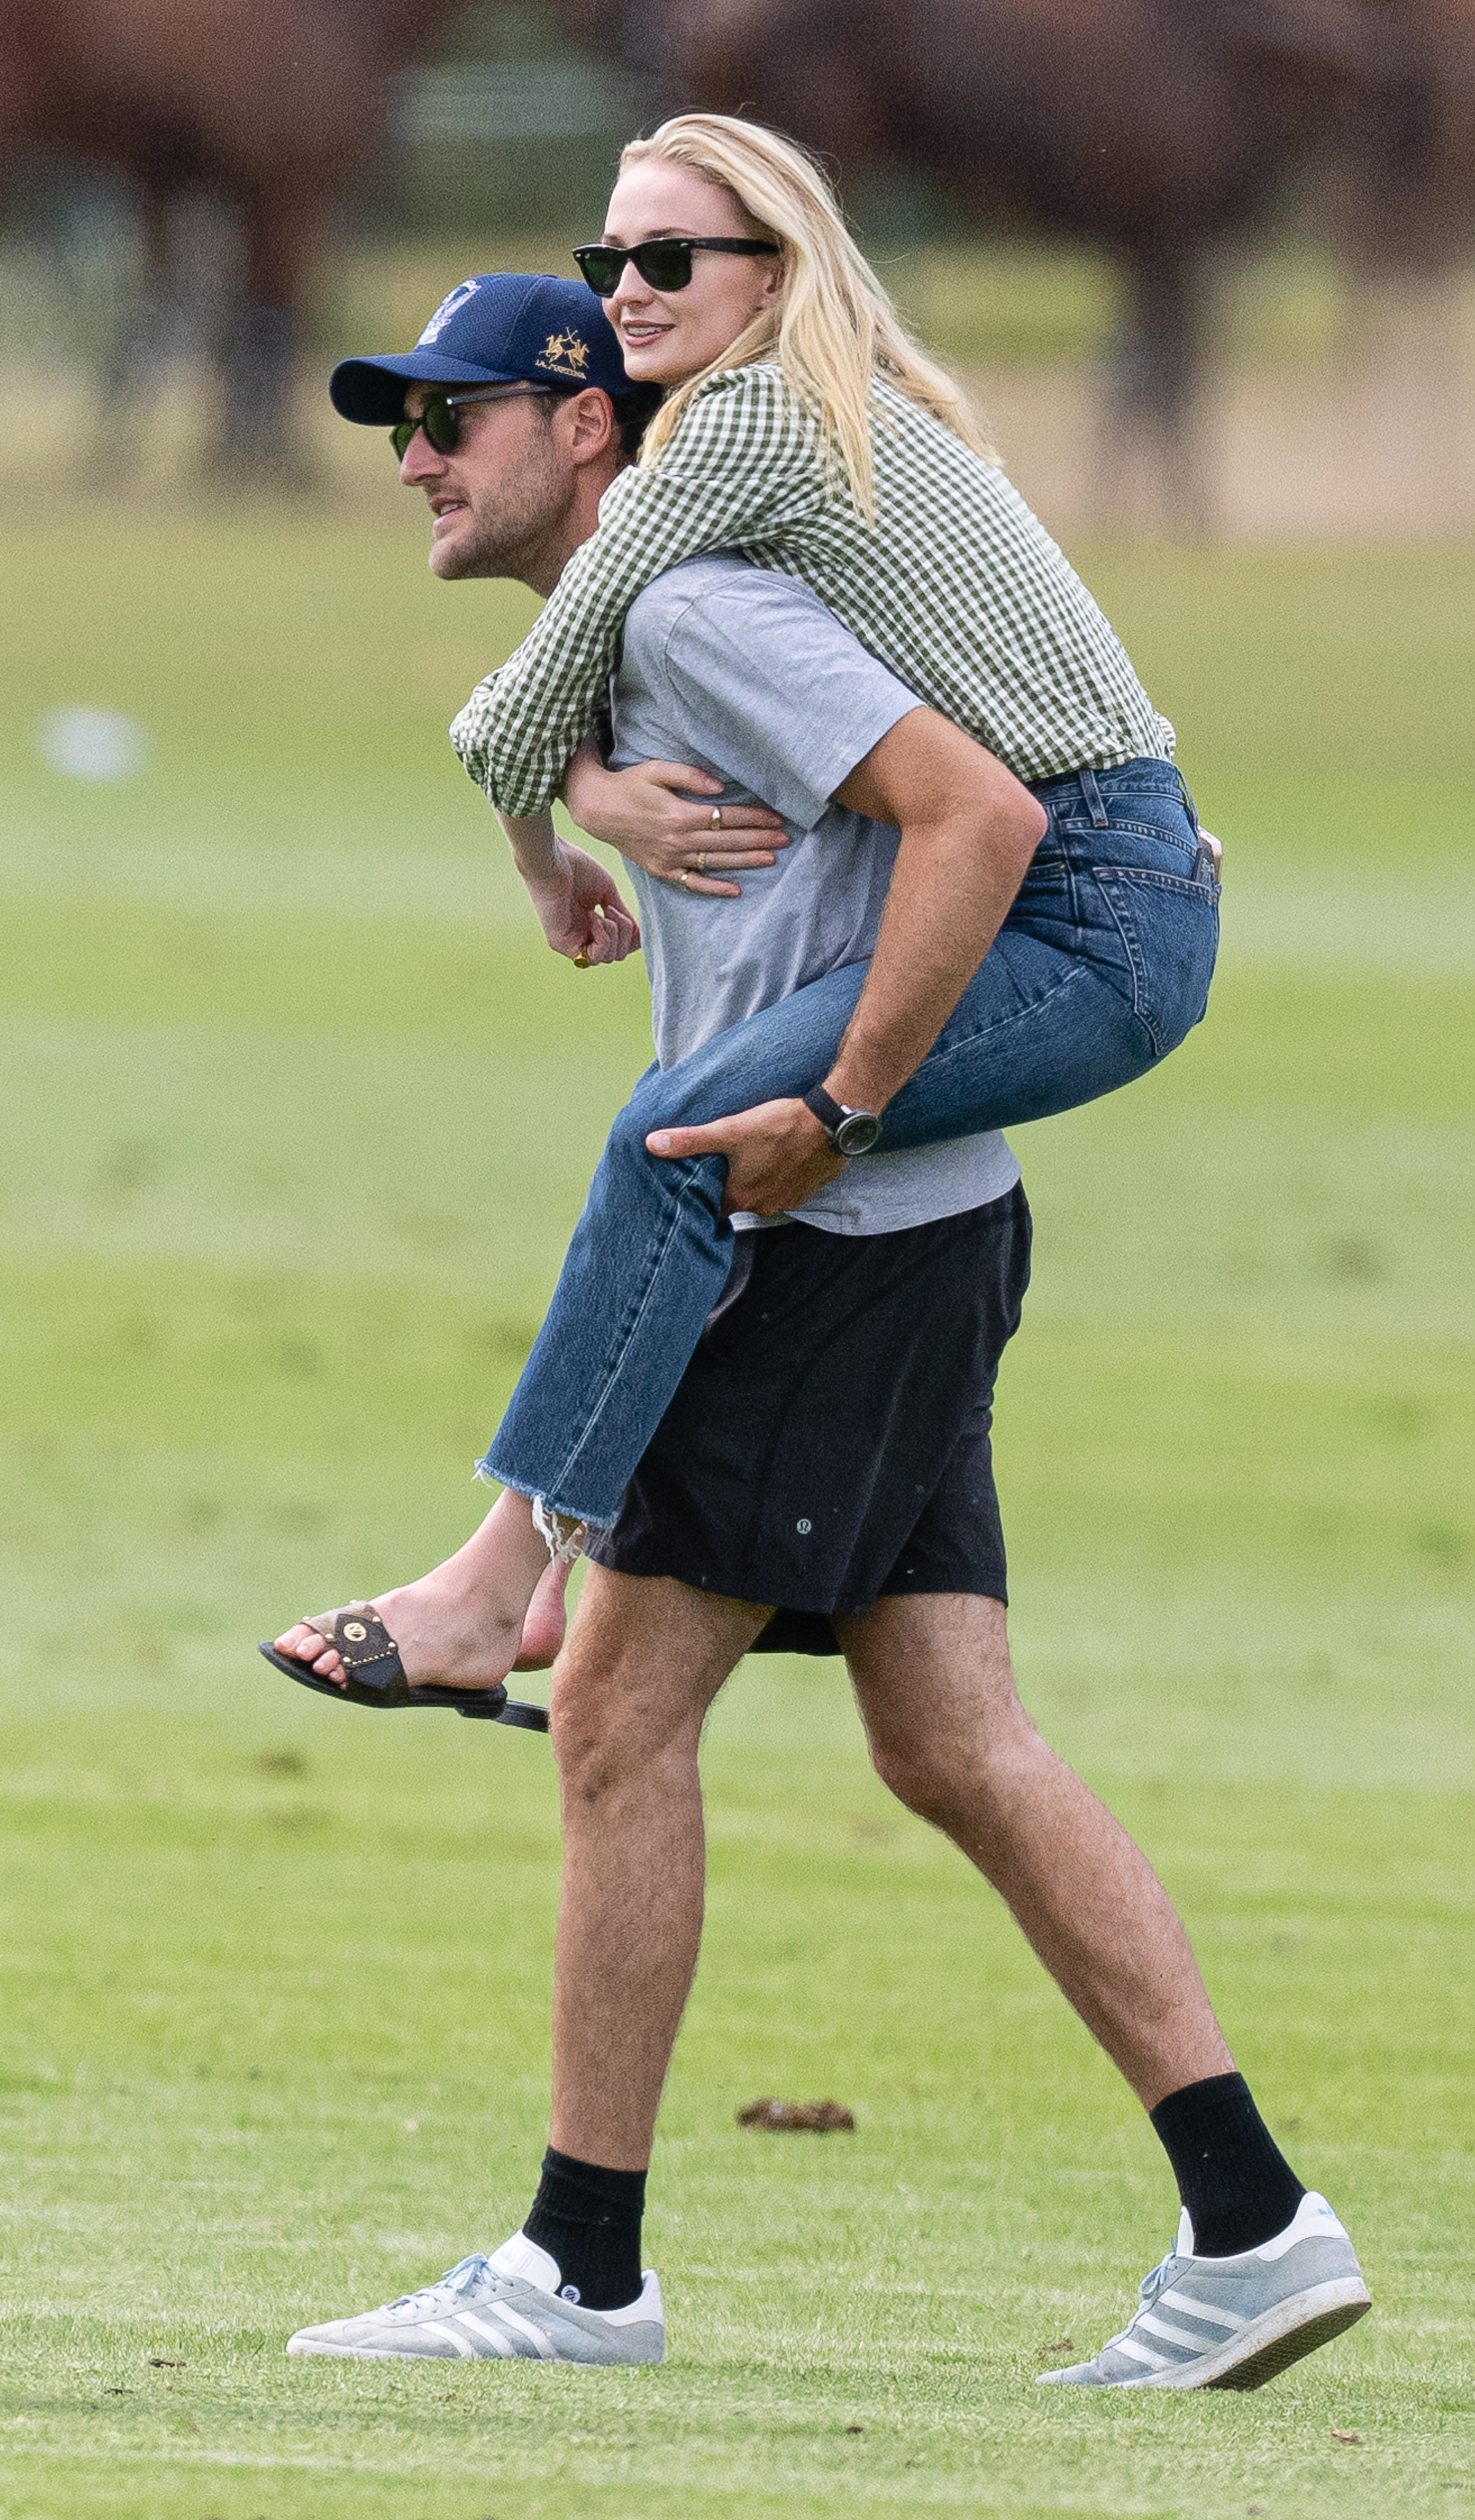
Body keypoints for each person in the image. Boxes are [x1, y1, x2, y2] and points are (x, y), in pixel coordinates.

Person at [280, 273, 1373, 2387]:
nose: (414, 451)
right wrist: (579, 806)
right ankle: (1252, 2225)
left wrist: (841, 1104)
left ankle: (577, 2267)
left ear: (588, 425)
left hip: (820, 1228)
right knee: (950, 1740)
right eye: (396, 419)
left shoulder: (697, 613)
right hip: (924, 1233)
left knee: (608, 1721)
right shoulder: (640, 628)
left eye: (457, 413)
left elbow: (978, 809)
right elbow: (550, 735)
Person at [269, 112, 1220, 1699]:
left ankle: (496, 1584)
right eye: (610, 260)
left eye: (665, 257)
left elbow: (518, 697)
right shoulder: (827, 416)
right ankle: (536, 1578)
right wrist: (591, 780)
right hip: (1113, 870)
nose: (631, 288)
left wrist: (553, 840)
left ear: (775, 271)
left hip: (1090, 905)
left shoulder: (735, 433)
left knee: (674, 1140)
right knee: (950, 1745)